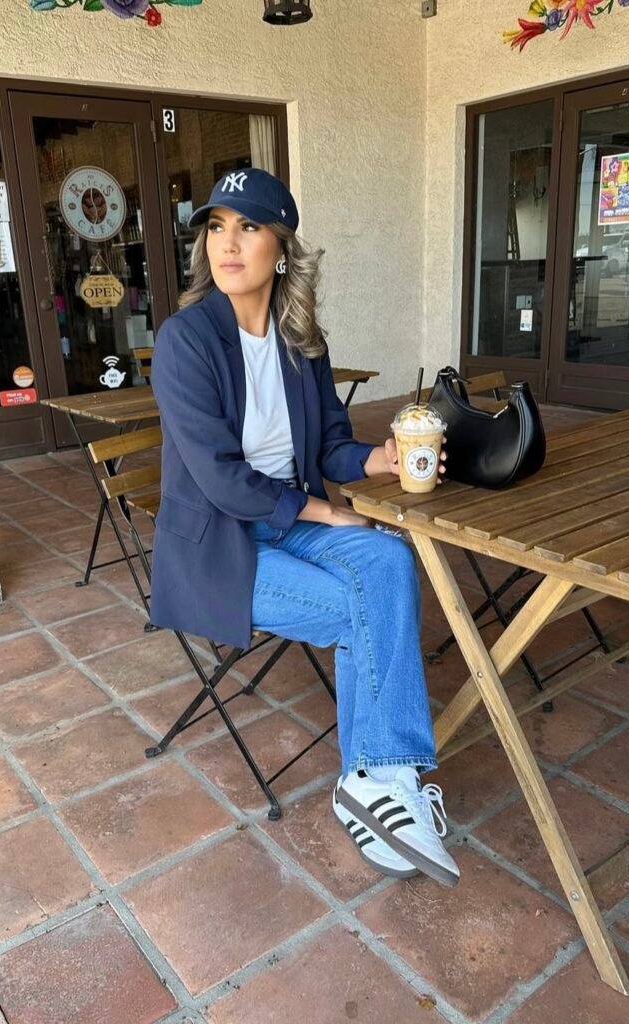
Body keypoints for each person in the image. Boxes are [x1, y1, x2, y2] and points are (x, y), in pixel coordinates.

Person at [150, 168, 459, 887]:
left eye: (249, 227)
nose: (228, 244)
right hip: (220, 545)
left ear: (282, 249)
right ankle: (382, 781)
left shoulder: (302, 342)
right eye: (217, 227)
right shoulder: (185, 340)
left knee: (389, 561)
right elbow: (221, 478)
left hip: (285, 516)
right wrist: (325, 508)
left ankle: (377, 782)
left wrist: (377, 460)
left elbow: (327, 449)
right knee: (363, 608)